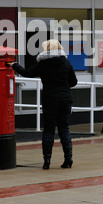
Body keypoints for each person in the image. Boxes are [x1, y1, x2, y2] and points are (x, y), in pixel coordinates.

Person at [9, 39, 78, 169]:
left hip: (49, 99)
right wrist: (62, 85)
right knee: (64, 129)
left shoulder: (43, 64)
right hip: (65, 99)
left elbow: (27, 73)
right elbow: (73, 82)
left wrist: (14, 65)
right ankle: (68, 159)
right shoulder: (66, 63)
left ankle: (47, 161)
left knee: (48, 130)